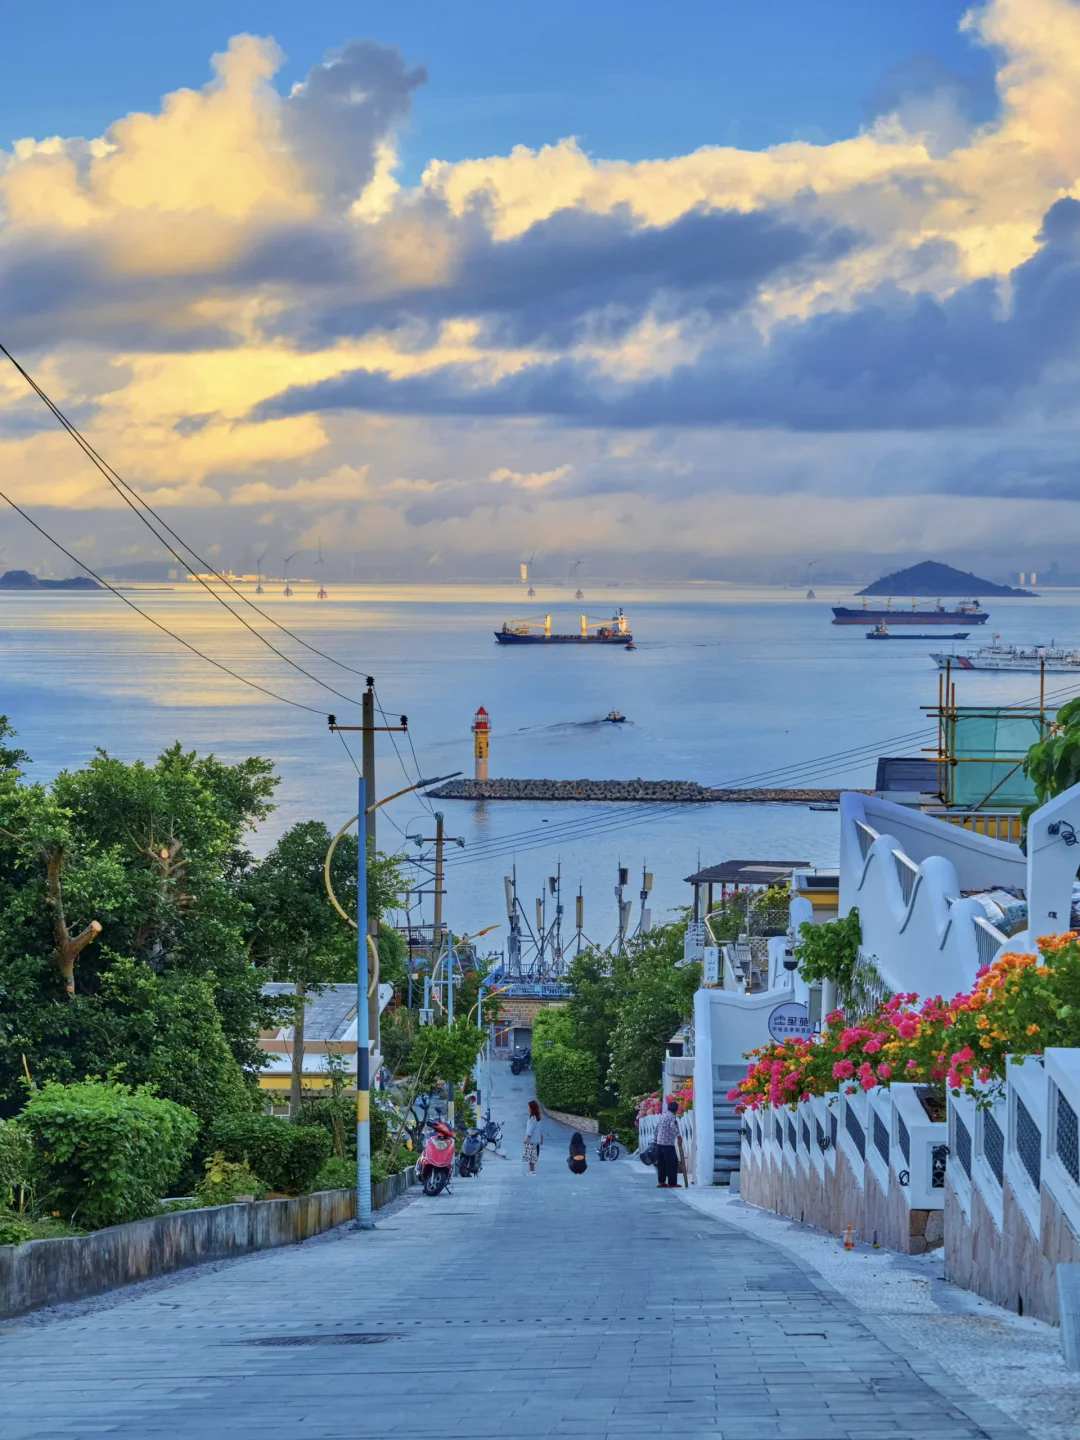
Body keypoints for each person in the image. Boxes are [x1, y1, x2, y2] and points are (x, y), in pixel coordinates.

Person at [654, 1099, 683, 1188]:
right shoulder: (672, 1117)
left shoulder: (663, 1116)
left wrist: (655, 1139)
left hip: (659, 1143)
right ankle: (672, 1182)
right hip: (668, 1144)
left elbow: (656, 1129)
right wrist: (678, 1136)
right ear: (676, 1110)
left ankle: (661, 1181)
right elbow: (673, 1127)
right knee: (672, 1163)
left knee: (661, 1163)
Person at [523, 1099, 544, 1173]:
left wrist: (526, 1138)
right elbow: (540, 1130)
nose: (528, 1108)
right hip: (535, 1141)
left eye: (529, 1107)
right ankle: (531, 1171)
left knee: (531, 1159)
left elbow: (530, 1129)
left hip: (532, 1141)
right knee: (532, 1159)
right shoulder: (536, 1117)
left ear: (532, 1108)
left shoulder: (533, 1118)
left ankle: (532, 1172)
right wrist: (541, 1139)